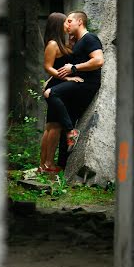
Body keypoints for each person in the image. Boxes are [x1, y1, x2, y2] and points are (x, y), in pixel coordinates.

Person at [43, 11, 104, 162]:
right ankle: (61, 167)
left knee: (51, 93)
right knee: (62, 124)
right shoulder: (78, 41)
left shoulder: (90, 38)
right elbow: (59, 65)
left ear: (80, 22)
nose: (67, 24)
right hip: (76, 83)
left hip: (85, 84)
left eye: (70, 21)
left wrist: (74, 68)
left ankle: (71, 132)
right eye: (65, 21)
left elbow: (98, 61)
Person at [39, 12, 84, 172]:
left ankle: (43, 166)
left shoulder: (61, 43)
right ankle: (48, 164)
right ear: (58, 25)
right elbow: (48, 67)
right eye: (66, 22)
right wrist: (67, 79)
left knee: (51, 126)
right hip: (57, 87)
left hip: (57, 86)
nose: (68, 24)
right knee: (54, 127)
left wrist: (72, 42)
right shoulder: (52, 44)